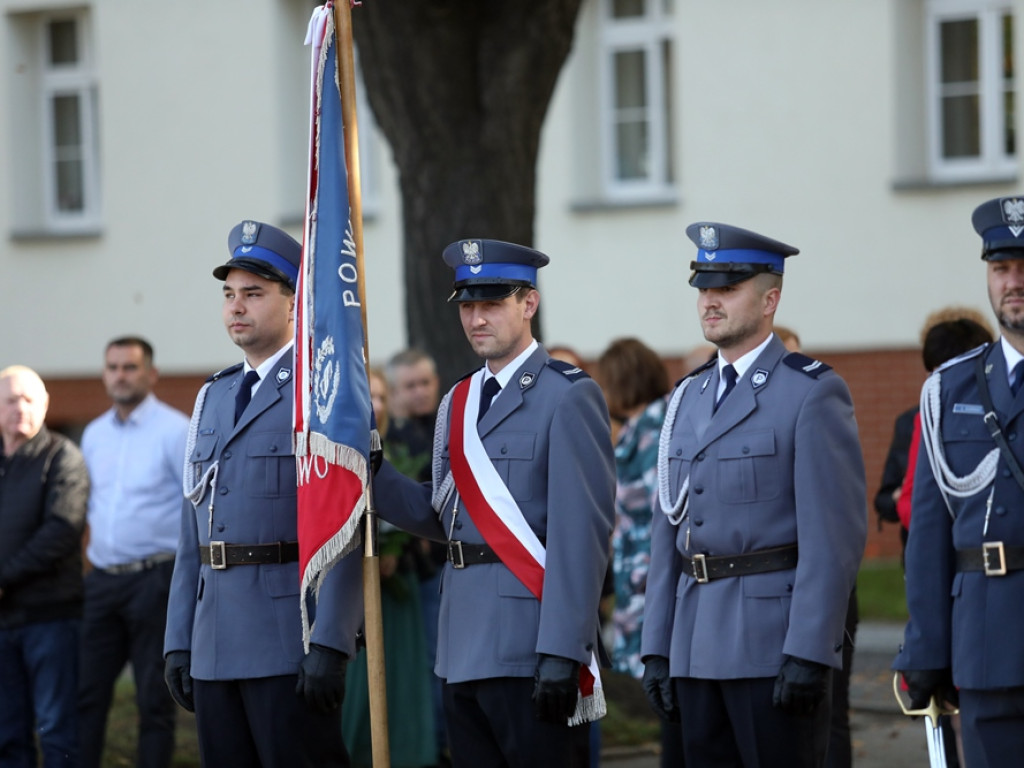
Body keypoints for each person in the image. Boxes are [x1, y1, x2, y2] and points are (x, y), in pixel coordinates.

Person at [373, 238, 616, 768]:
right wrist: (372, 471)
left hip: (532, 642)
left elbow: (583, 538)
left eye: (491, 303)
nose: (476, 318)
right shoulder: (458, 400)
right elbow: (442, 517)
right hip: (462, 645)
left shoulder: (568, 395)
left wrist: (562, 649)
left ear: (528, 304)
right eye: (467, 305)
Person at [641, 222, 867, 767]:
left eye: (727, 288)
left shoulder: (810, 393)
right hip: (694, 644)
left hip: (772, 644)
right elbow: (666, 529)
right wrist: (656, 647)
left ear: (771, 299)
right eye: (704, 287)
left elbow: (834, 539)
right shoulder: (687, 397)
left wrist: (811, 649)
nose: (710, 301)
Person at [162, 220, 363, 767]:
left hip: (287, 641)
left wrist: (333, 639)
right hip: (214, 641)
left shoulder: (320, 392)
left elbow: (345, 523)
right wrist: (178, 638)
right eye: (229, 294)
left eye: (253, 293)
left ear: (295, 303)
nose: (236, 307)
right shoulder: (214, 395)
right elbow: (193, 534)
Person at [894, 196, 1024, 768]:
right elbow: (929, 532)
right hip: (986, 638)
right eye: (1001, 269)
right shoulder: (950, 391)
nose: (1013, 283)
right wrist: (925, 648)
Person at [77, 336, 188, 768]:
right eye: (113, 367)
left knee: (153, 700)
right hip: (102, 580)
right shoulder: (94, 434)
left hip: (155, 581)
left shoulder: (177, 430)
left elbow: (192, 506)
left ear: (151, 374)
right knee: (86, 695)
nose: (120, 376)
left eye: (130, 367)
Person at [342, 366, 437, 768]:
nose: (376, 404)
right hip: (350, 595)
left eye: (381, 396)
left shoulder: (403, 448)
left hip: (399, 587)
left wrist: (397, 547)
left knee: (402, 682)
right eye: (370, 396)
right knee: (357, 690)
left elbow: (424, 511)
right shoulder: (339, 451)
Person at [596, 337, 684, 768]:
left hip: (656, 585)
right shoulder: (639, 430)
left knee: (677, 710)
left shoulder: (655, 432)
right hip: (639, 581)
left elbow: (661, 516)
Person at [0, 365, 90, 767]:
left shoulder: (62, 456)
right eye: (12, 399)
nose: (22, 407)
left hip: (50, 619)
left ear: (45, 405)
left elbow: (61, 531)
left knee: (56, 730)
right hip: (3, 623)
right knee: (7, 732)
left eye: (30, 399)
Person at [383, 349, 449, 765]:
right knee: (426, 663)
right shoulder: (390, 441)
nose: (421, 392)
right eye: (410, 386)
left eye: (426, 382)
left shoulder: (450, 426)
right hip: (411, 572)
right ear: (391, 392)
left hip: (450, 566)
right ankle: (433, 745)